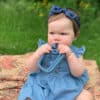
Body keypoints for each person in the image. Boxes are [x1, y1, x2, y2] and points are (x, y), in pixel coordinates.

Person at [18, 5, 93, 100]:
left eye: (63, 34)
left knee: (86, 96)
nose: (56, 37)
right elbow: (31, 68)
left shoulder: (75, 52)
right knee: (30, 93)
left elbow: (78, 73)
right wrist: (37, 54)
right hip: (43, 83)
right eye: (52, 33)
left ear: (75, 36)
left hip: (66, 85)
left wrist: (70, 56)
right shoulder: (44, 48)